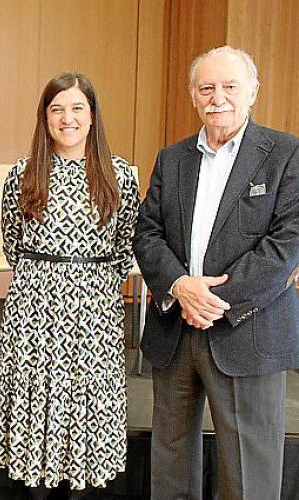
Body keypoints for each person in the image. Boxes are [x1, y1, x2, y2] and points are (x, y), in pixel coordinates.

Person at [134, 46, 299, 499]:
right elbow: (147, 233)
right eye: (206, 87)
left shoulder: (286, 154)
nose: (217, 97)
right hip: (175, 330)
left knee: (249, 475)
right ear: (193, 95)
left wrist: (211, 301)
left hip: (249, 331)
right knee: (170, 466)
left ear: (253, 92)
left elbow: (286, 244)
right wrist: (180, 286)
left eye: (230, 86)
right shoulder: (172, 158)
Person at [0, 73, 139, 499]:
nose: (66, 118)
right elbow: (13, 244)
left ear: (92, 116)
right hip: (33, 308)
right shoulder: (22, 174)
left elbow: (126, 245)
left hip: (96, 310)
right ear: (45, 117)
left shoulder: (119, 175)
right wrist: (48, 281)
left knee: (86, 407)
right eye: (57, 109)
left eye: (76, 108)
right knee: (36, 401)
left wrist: (86, 285)